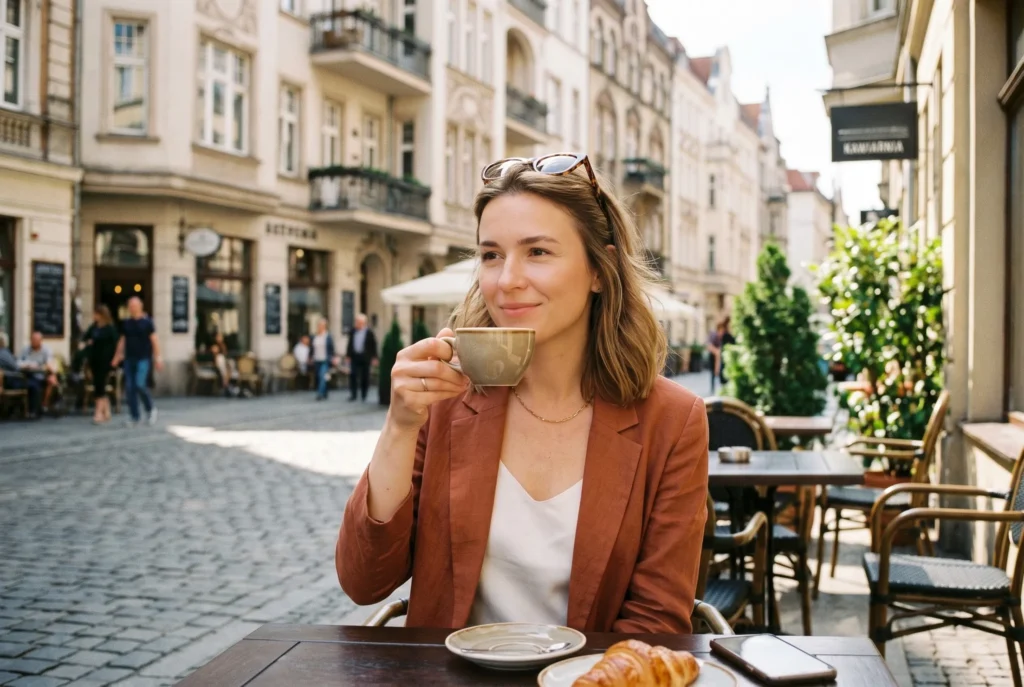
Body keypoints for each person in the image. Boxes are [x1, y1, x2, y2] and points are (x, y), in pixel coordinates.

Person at [336, 153, 709, 634]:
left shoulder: (672, 421)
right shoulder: (445, 400)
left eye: (538, 252)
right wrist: (400, 426)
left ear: (600, 270)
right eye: (491, 255)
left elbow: (656, 620)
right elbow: (364, 580)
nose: (507, 280)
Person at [111, 296, 162, 426]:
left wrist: (158, 358)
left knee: (140, 384)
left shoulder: (147, 322)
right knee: (130, 388)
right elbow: (122, 340)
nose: (132, 308)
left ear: (140, 306)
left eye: (134, 306)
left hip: (143, 358)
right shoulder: (127, 323)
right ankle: (135, 416)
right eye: (130, 306)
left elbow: (154, 340)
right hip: (129, 358)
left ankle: (150, 409)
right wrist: (117, 355)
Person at [84, 305, 118, 424]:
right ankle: (106, 411)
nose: (94, 316)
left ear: (102, 315)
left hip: (106, 360)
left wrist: (115, 360)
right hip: (94, 359)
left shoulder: (110, 328)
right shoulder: (93, 327)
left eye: (96, 314)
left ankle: (98, 413)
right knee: (98, 385)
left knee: (100, 385)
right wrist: (88, 342)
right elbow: (85, 337)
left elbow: (115, 344)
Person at [0, 333, 41, 418]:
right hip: (10, 380)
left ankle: (16, 409)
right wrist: (25, 366)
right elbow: (15, 367)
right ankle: (33, 411)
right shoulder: (4, 353)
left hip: (5, 380)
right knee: (35, 385)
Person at [19, 331, 59, 414]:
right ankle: (33, 408)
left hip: (42, 374)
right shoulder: (26, 349)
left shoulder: (46, 350)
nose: (34, 342)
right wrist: (27, 365)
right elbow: (18, 362)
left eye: (36, 340)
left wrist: (45, 367)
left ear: (41, 341)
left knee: (52, 380)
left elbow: (49, 363)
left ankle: (45, 404)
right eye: (32, 340)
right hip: (28, 374)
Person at [345, 313, 378, 402]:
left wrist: (375, 357)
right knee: (353, 375)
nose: (356, 323)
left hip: (365, 357)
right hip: (355, 356)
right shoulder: (353, 331)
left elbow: (373, 345)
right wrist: (348, 355)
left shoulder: (369, 332)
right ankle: (353, 394)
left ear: (363, 323)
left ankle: (364, 394)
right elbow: (349, 344)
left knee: (365, 376)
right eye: (356, 321)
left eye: (358, 322)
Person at [705, 316, 734, 394]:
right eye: (721, 330)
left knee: (718, 373)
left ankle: (718, 388)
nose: (722, 332)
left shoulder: (724, 336)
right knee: (713, 374)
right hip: (713, 357)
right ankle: (713, 389)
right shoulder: (714, 335)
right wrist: (716, 351)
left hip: (719, 357)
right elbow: (709, 346)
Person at [311, 318, 336, 401]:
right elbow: (312, 348)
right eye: (319, 325)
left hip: (325, 360)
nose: (320, 327)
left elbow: (332, 349)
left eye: (321, 325)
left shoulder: (328, 336)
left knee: (322, 376)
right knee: (319, 377)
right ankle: (325, 392)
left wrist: (333, 358)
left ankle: (320, 394)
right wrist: (310, 357)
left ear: (325, 326)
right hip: (316, 359)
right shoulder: (315, 336)